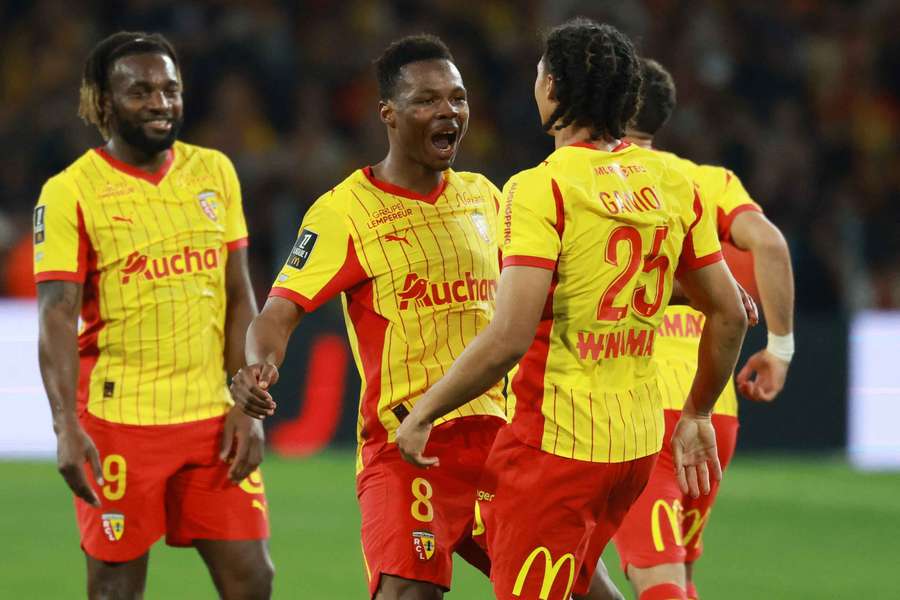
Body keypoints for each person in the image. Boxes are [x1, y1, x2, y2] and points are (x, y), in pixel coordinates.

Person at [395, 18, 749, 600]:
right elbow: (730, 311)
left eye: (540, 72)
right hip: (634, 447)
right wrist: (698, 413)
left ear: (553, 88)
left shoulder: (541, 189)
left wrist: (423, 411)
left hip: (555, 449)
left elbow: (508, 338)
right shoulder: (672, 181)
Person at [230, 35, 506, 599]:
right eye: (429, 100)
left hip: (501, 442)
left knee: (579, 586)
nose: (449, 111)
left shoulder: (485, 198)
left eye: (457, 98)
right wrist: (258, 367)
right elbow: (277, 314)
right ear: (389, 114)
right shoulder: (344, 213)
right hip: (408, 444)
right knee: (408, 593)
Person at [34, 32, 272, 599]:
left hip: (211, 419)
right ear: (104, 103)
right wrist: (66, 424)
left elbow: (240, 295)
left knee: (253, 579)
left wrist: (247, 402)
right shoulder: (71, 192)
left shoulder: (214, 172)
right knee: (115, 587)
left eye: (170, 89)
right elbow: (56, 315)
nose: (160, 103)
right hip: (119, 424)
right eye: (140, 92)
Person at [607, 58, 795, 600]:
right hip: (713, 413)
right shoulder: (708, 181)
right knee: (681, 578)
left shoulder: (589, 179)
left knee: (654, 581)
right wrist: (779, 350)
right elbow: (771, 244)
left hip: (635, 406)